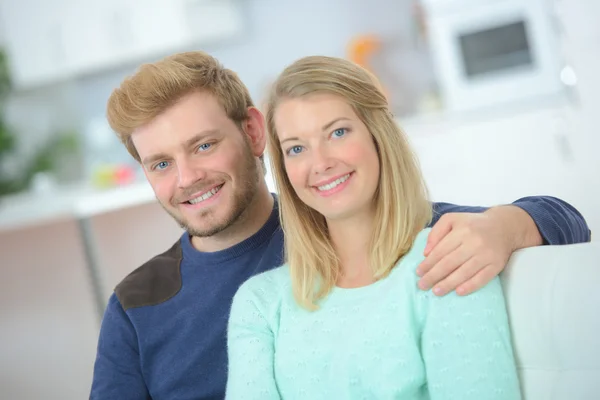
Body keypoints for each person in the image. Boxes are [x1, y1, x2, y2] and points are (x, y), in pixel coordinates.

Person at [90, 51, 590, 400]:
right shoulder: (137, 306)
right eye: (160, 164)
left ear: (253, 132)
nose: (187, 178)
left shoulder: (344, 215)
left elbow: (565, 220)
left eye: (203, 145)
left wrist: (508, 225)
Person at [226, 55, 523, 399]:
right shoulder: (260, 303)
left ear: (377, 135)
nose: (320, 163)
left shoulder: (449, 257)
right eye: (296, 148)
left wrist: (509, 225)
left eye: (338, 132)